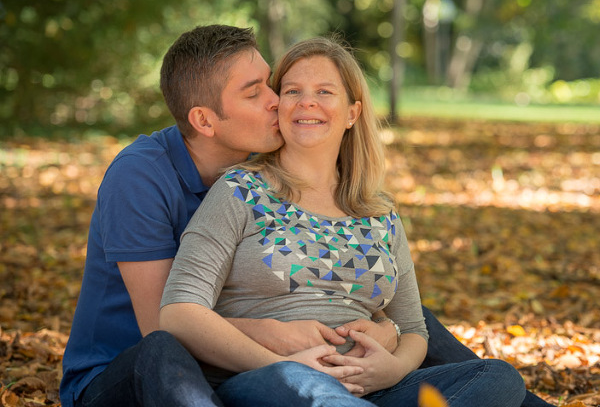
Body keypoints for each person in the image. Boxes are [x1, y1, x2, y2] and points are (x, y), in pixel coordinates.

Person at [159, 35, 528, 406]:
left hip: (374, 389)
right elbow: (180, 311)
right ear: (278, 106)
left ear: (352, 113)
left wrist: (393, 369)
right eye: (292, 91)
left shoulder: (379, 213)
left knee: (497, 378)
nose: (307, 102)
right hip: (272, 379)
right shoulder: (239, 191)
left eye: (324, 91)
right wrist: (285, 361)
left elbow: (414, 329)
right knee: (316, 392)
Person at [60, 25, 397, 407]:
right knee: (161, 350)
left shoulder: (259, 170)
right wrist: (270, 333)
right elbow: (163, 324)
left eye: (271, 84)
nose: (277, 101)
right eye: (254, 93)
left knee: (417, 319)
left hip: (233, 366)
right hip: (130, 374)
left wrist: (388, 330)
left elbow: (331, 281)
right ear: (205, 122)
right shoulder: (139, 177)